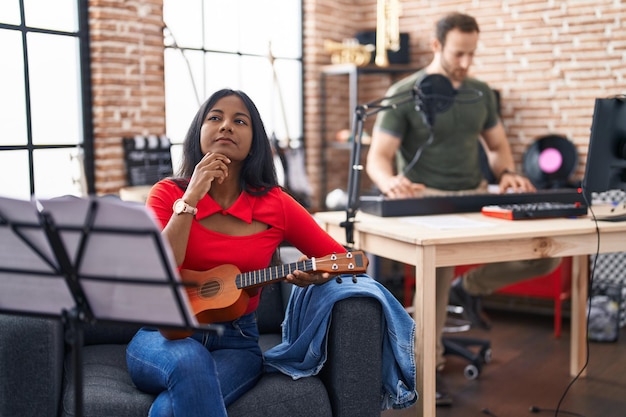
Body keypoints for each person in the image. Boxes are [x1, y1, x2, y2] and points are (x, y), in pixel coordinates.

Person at [365, 13, 560, 406]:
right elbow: (379, 158)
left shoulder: (480, 93)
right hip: (426, 200)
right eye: (459, 53)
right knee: (434, 277)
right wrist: (389, 182)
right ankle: (427, 374)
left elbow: (498, 147)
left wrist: (506, 171)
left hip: (475, 195)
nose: (466, 63)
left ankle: (469, 289)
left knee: (546, 254)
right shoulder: (405, 92)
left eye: (472, 54)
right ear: (436, 46)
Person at [125, 89, 348, 417]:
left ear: (255, 141)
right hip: (161, 334)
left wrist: (318, 276)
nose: (226, 126)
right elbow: (162, 269)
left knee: (171, 409)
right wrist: (191, 197)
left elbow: (338, 257)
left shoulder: (277, 204)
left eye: (239, 121)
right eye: (215, 117)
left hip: (237, 341)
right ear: (198, 132)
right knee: (190, 359)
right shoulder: (166, 194)